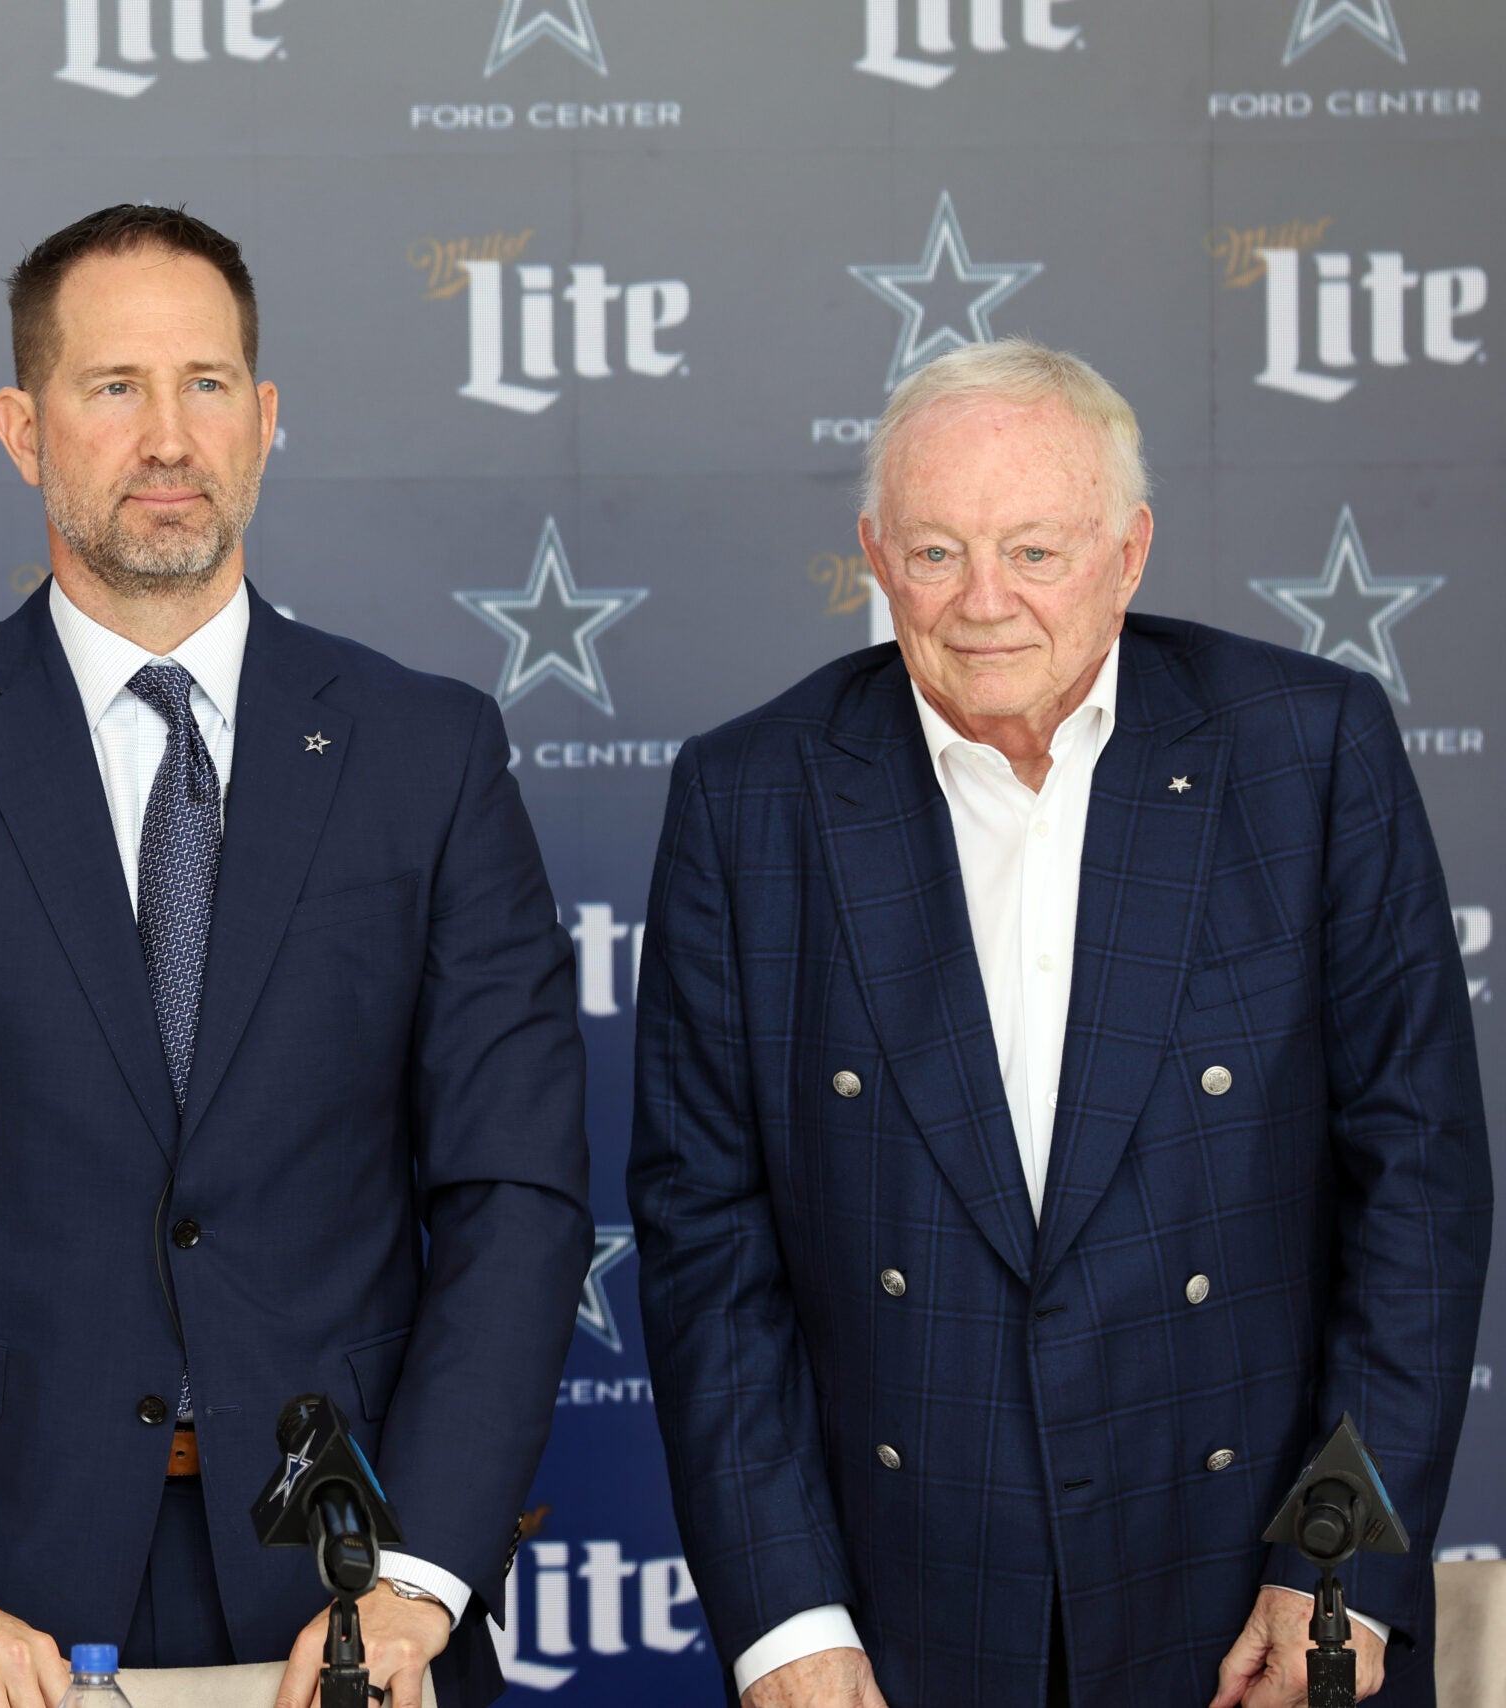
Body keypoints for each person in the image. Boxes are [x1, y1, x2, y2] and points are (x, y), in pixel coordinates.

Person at [0, 204, 593, 1708]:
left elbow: (513, 1193)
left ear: (267, 419)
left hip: (342, 1587)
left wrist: (423, 1578)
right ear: (22, 428)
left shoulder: (428, 753)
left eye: (210, 384)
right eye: (113, 387)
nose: (168, 436)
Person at [627, 337, 1490, 1708]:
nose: (983, 604)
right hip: (901, 1620)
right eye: (935, 553)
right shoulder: (750, 799)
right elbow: (705, 1240)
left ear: (1130, 552)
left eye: (1036, 551)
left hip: (1255, 1599)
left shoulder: (1308, 752)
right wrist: (788, 1618)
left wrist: (1340, 1570)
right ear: (871, 551)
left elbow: (1422, 1191)